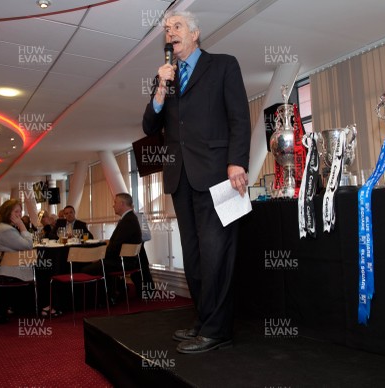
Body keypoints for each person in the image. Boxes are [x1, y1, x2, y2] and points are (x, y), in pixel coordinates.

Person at [142, 10, 251, 354]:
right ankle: (204, 321)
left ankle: (219, 330)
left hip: (220, 175)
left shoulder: (223, 65)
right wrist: (160, 87)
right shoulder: (165, 78)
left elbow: (239, 118)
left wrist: (237, 163)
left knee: (216, 252)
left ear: (195, 33)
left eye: (176, 27)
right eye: (166, 29)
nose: (170, 33)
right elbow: (148, 126)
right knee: (193, 254)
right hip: (180, 178)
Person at [82, 193, 142, 304]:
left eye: (115, 203)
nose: (113, 205)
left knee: (87, 269)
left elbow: (115, 247)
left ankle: (103, 299)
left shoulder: (128, 221)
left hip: (124, 261)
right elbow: (116, 244)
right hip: (126, 260)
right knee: (97, 265)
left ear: (122, 204)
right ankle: (111, 294)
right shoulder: (129, 218)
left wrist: (99, 257)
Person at [0, 199, 34, 320]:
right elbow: (28, 245)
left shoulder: (1, 227)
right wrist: (22, 225)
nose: (19, 214)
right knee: (44, 272)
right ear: (7, 213)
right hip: (5, 271)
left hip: (1, 268)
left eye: (20, 211)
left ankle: (21, 306)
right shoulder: (6, 229)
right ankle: (41, 307)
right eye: (16, 212)